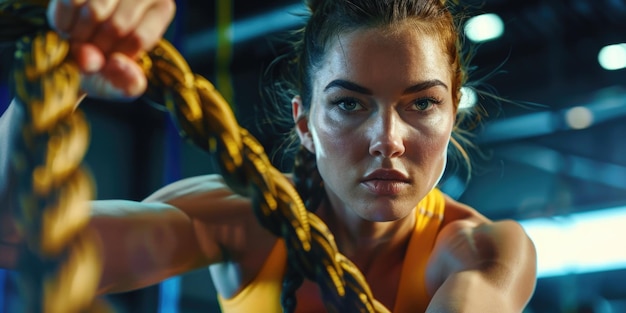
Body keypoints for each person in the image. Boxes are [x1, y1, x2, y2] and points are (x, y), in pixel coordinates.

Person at [0, 0, 538, 312]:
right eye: (349, 104)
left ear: (452, 115)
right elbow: (17, 239)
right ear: (304, 124)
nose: (387, 139)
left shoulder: (485, 253)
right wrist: (59, 74)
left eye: (421, 102)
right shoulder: (246, 223)